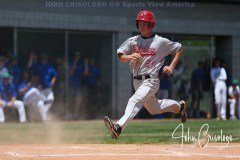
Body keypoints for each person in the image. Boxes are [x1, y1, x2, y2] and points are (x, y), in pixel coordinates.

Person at [104, 10, 187, 139]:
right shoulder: (133, 40)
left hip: (151, 80)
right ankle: (179, 107)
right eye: (139, 23)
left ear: (151, 25)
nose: (141, 26)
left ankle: (118, 128)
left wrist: (171, 66)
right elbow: (120, 55)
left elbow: (178, 48)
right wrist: (130, 56)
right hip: (137, 81)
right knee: (154, 109)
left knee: (134, 100)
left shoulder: (160, 41)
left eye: (144, 24)